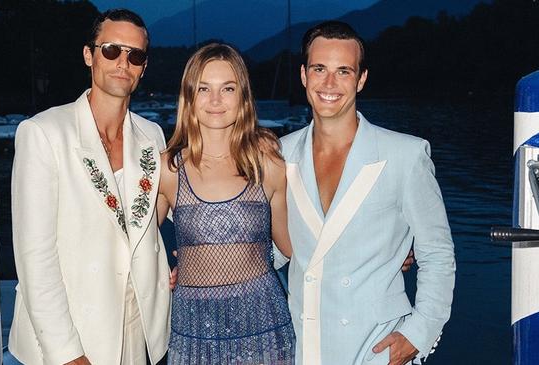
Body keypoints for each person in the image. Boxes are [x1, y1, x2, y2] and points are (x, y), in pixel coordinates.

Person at [279, 21, 456, 365]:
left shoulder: (405, 155)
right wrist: (210, 263)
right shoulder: (280, 155)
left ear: (360, 79)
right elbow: (275, 248)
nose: (329, 83)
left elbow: (437, 254)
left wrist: (418, 334)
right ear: (304, 75)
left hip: (377, 348)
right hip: (303, 343)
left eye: (343, 71)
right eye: (319, 69)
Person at [8, 9, 171, 365]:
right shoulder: (44, 133)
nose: (123, 62)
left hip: (134, 334)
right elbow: (35, 258)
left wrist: (184, 267)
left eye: (136, 55)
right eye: (112, 50)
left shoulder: (152, 136)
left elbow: (155, 221)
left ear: (144, 67)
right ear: (89, 55)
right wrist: (68, 354)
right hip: (69, 337)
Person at [157, 43, 296, 364]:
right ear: (189, 97)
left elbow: (295, 247)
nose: (216, 100)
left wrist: (384, 249)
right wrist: (162, 268)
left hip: (264, 326)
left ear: (243, 97)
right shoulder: (168, 168)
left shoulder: (268, 164)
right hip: (193, 329)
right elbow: (134, 243)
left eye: (228, 88)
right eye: (204, 88)